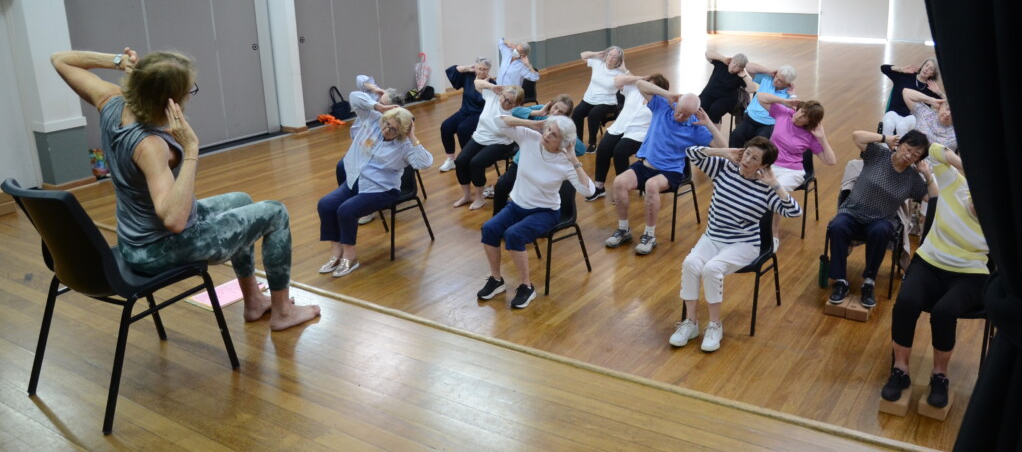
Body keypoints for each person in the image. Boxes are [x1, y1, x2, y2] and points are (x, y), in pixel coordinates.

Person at [51, 47, 320, 331]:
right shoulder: (150, 146)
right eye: (189, 89)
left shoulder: (111, 101)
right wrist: (191, 149)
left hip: (134, 241)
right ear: (172, 100)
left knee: (242, 201)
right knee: (275, 212)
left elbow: (60, 60)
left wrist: (119, 62)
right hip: (158, 249)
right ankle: (283, 313)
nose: (190, 94)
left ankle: (254, 301)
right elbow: (175, 221)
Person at [670, 137, 802, 352]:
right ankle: (690, 324)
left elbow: (795, 212)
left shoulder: (766, 189)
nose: (748, 160)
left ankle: (714, 326)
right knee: (690, 263)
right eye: (748, 153)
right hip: (713, 236)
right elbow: (691, 152)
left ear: (764, 165)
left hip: (744, 244)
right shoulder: (725, 168)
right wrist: (724, 152)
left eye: (755, 158)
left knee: (712, 268)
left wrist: (776, 185)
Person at [882, 143, 988, 409]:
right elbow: (935, 148)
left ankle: (940, 375)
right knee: (906, 302)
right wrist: (970, 171)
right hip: (929, 262)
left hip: (971, 273)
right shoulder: (954, 181)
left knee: (945, 311)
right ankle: (900, 370)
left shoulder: (1002, 206)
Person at [317, 78, 433, 278]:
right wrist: (378, 105)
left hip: (382, 189)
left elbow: (425, 162)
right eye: (386, 123)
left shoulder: (405, 145)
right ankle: (336, 252)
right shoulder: (371, 120)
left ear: (403, 132)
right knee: (326, 204)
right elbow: (354, 96)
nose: (386, 129)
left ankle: (350, 257)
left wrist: (413, 137)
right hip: (355, 182)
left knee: (346, 210)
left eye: (393, 129)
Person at [477, 115, 595, 309]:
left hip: (545, 212)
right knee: (489, 228)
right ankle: (496, 280)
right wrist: (532, 124)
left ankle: (526, 286)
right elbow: (496, 121)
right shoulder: (530, 137)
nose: (548, 134)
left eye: (554, 134)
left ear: (563, 143)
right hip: (517, 205)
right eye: (549, 129)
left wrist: (574, 160)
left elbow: (589, 191)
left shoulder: (565, 163)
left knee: (513, 235)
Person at [605, 82, 727, 255]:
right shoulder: (664, 105)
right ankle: (624, 230)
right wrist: (666, 94)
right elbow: (640, 84)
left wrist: (708, 123)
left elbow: (725, 148)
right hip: (646, 164)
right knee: (619, 182)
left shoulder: (695, 127)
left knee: (651, 186)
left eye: (686, 115)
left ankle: (649, 236)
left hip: (671, 171)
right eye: (679, 111)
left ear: (693, 115)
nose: (680, 116)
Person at [827, 130, 937, 308]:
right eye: (907, 149)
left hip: (880, 220)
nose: (909, 156)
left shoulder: (912, 179)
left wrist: (927, 175)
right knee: (837, 226)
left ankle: (869, 282)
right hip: (852, 213)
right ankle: (840, 281)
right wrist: (886, 138)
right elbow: (856, 136)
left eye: (915, 155)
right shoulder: (879, 154)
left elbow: (932, 198)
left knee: (882, 230)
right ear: (900, 144)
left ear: (919, 160)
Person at [754, 92, 837, 250]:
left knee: (775, 191)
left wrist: (822, 138)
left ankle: (773, 234)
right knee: (750, 187)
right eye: (801, 111)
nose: (799, 116)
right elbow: (760, 97)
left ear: (811, 122)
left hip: (791, 172)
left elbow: (830, 161)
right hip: (768, 165)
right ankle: (752, 231)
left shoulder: (811, 135)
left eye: (805, 117)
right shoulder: (784, 113)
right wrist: (783, 101)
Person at [491, 94, 586, 215]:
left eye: (561, 112)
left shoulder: (564, 127)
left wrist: (566, 133)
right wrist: (537, 114)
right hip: (523, 160)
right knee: (501, 186)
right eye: (555, 107)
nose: (555, 112)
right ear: (551, 104)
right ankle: (498, 219)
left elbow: (581, 150)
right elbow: (513, 111)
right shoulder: (541, 111)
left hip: (544, 167)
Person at [588, 73, 670, 202]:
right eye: (647, 84)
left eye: (651, 86)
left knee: (620, 152)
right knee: (603, 149)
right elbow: (617, 80)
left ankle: (622, 188)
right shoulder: (634, 90)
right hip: (619, 127)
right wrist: (640, 78)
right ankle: (599, 187)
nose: (647, 87)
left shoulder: (660, 103)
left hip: (639, 133)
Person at [338, 75, 407, 226]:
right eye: (379, 101)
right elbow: (359, 82)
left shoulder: (392, 127)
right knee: (342, 166)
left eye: (383, 104)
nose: (378, 103)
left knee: (346, 166)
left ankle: (364, 207)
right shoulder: (373, 102)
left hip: (372, 156)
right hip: (360, 147)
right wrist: (375, 91)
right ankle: (350, 198)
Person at [452, 81, 523, 210]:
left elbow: (529, 118)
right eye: (504, 97)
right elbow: (476, 83)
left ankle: (480, 198)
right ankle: (467, 196)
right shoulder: (493, 96)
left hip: (501, 143)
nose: (503, 101)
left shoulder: (515, 113)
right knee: (461, 161)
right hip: (479, 137)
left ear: (516, 104)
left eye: (509, 101)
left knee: (476, 163)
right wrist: (492, 87)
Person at [438, 58, 492, 172]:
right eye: (479, 68)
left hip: (479, 113)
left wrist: (484, 85)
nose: (482, 71)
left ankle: (466, 159)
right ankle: (451, 160)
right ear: (475, 68)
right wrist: (468, 67)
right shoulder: (469, 77)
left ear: (489, 70)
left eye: (485, 69)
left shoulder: (491, 84)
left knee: (463, 129)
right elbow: (451, 70)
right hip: (464, 111)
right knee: (446, 126)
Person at [571, 46, 628, 153]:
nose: (611, 58)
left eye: (615, 57)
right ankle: (578, 142)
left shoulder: (619, 73)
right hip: (589, 99)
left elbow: (634, 82)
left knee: (593, 114)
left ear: (619, 60)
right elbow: (583, 55)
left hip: (607, 102)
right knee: (577, 113)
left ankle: (592, 144)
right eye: (610, 55)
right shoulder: (598, 63)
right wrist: (596, 54)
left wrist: (624, 70)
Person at [728, 63, 797, 147]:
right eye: (776, 76)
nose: (775, 80)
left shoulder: (788, 95)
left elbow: (794, 111)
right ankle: (733, 160)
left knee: (759, 146)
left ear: (787, 84)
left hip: (768, 125)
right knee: (735, 136)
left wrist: (793, 95)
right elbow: (748, 67)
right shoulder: (767, 78)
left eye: (780, 81)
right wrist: (768, 71)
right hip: (750, 118)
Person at [880, 59, 942, 136]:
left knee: (902, 126)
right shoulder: (905, 75)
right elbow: (883, 68)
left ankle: (900, 147)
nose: (926, 69)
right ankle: (885, 147)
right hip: (894, 112)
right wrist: (900, 69)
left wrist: (939, 92)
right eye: (926, 65)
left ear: (933, 74)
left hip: (913, 118)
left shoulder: (931, 87)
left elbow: (946, 105)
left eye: (931, 69)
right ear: (922, 66)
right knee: (888, 123)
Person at [698, 51, 756, 128]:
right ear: (731, 60)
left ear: (741, 69)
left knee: (714, 111)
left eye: (737, 65)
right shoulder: (722, 64)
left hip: (726, 99)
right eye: (734, 62)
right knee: (699, 108)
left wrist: (744, 76)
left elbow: (752, 89)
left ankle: (714, 137)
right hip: (709, 94)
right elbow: (708, 54)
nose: (733, 66)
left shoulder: (739, 76)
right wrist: (723, 58)